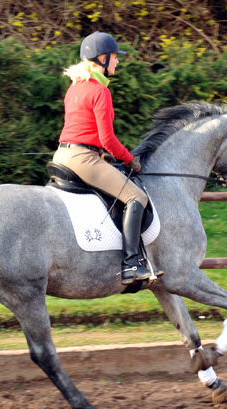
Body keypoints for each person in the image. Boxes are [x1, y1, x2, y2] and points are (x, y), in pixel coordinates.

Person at [53, 31, 163, 285]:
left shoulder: (75, 87)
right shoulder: (100, 91)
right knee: (136, 196)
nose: (117, 62)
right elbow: (107, 140)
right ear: (102, 59)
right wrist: (129, 159)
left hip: (63, 154)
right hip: (83, 158)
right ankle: (130, 266)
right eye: (114, 57)